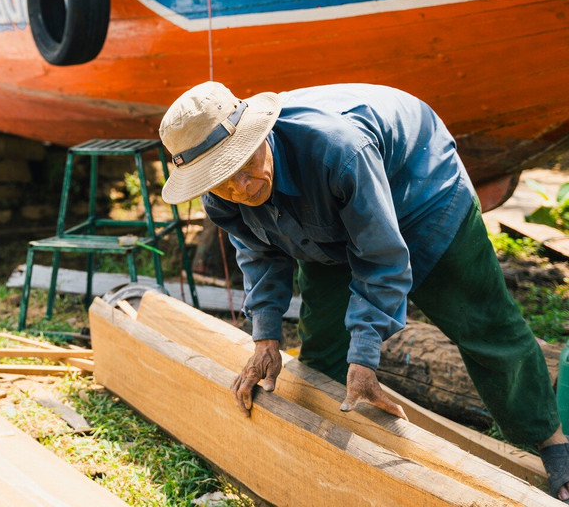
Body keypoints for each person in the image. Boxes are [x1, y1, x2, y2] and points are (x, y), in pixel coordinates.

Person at [157, 80, 569, 500]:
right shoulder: (222, 197)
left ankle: (552, 445)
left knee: (480, 322)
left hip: (420, 189)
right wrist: (265, 339)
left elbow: (380, 254)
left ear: (262, 136)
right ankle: (325, 454)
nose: (242, 187)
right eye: (224, 180)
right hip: (326, 216)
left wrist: (366, 354)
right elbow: (260, 255)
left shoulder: (339, 149)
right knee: (322, 350)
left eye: (247, 165)